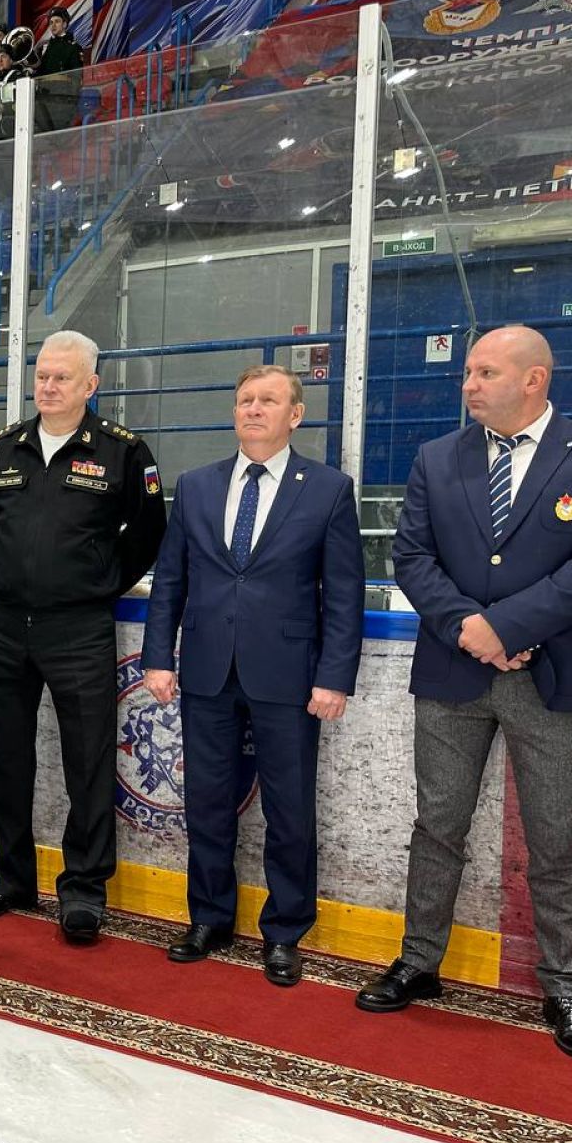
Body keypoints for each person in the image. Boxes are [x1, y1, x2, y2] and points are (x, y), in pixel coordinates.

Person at [356, 325, 572, 1064]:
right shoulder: (439, 457)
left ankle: (565, 987)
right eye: (467, 371)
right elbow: (412, 556)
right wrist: (471, 628)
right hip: (454, 671)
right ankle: (418, 960)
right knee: (438, 825)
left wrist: (507, 626)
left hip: (549, 677)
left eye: (484, 372)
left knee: (556, 839)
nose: (467, 384)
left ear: (534, 379)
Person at [141, 365, 364, 986]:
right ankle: (209, 917)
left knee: (289, 809)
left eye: (268, 400)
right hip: (207, 670)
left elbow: (343, 593)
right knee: (207, 802)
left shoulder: (328, 489)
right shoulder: (197, 486)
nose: (254, 409)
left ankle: (285, 930)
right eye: (245, 400)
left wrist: (334, 676)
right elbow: (171, 581)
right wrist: (159, 657)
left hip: (288, 675)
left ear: (296, 415)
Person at [0, 330, 166, 940]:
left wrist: (100, 583)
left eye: (62, 377)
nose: (48, 386)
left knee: (87, 759)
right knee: (9, 755)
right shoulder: (4, 447)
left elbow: (148, 534)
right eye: (42, 375)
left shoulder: (123, 452)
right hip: (6, 622)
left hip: (78, 625)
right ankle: (11, 877)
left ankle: (83, 890)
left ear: (90, 385)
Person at [36, 6, 85, 133]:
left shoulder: (74, 48)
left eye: (57, 21)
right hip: (44, 98)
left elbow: (76, 78)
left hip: (63, 99)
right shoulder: (44, 48)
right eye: (51, 22)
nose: (53, 25)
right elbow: (38, 74)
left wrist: (72, 102)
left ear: (65, 24)